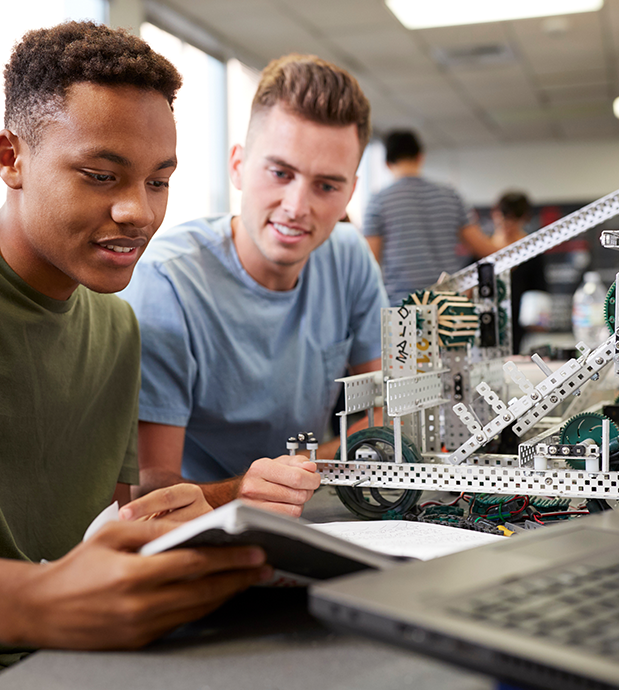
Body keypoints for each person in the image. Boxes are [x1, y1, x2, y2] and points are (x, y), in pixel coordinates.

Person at [0, 21, 271, 690]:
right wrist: (34, 603)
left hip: (71, 664)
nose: (138, 212)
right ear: (10, 159)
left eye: (158, 182)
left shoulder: (116, 327)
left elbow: (99, 537)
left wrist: (228, 502)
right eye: (100, 175)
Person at [121, 54, 388, 516]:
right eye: (280, 173)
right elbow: (151, 493)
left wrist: (297, 476)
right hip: (206, 528)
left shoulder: (350, 257)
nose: (296, 206)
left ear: (349, 193)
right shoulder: (168, 282)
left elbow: (382, 414)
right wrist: (246, 489)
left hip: (316, 511)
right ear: (239, 166)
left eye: (326, 186)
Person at [363, 129, 498, 306]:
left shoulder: (378, 201)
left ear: (387, 163)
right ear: (420, 157)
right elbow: (483, 248)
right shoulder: (450, 195)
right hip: (449, 306)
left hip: (403, 309)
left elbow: (369, 264)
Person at [490, 191, 549, 354]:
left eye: (513, 219)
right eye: (504, 218)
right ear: (495, 215)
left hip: (520, 325)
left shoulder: (532, 250)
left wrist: (539, 319)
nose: (508, 224)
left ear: (524, 218)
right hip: (489, 320)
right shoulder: (483, 249)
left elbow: (539, 287)